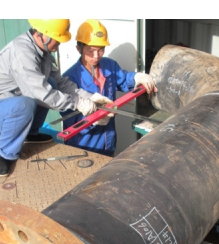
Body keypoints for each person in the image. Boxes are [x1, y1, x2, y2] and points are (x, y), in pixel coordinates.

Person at [0, 19, 112, 177]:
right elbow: (41, 94)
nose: (59, 44)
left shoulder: (43, 53)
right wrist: (78, 103)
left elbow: (60, 83)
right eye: (57, 40)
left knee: (50, 83)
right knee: (26, 103)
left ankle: (30, 133)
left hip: (7, 108)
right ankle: (2, 153)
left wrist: (90, 98)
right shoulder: (22, 53)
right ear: (42, 35)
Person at [61, 19, 157, 156]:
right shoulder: (69, 79)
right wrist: (91, 121)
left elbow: (123, 79)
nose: (96, 56)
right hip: (82, 146)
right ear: (79, 49)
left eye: (101, 50)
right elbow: (69, 121)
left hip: (108, 142)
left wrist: (137, 77)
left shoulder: (109, 66)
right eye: (91, 50)